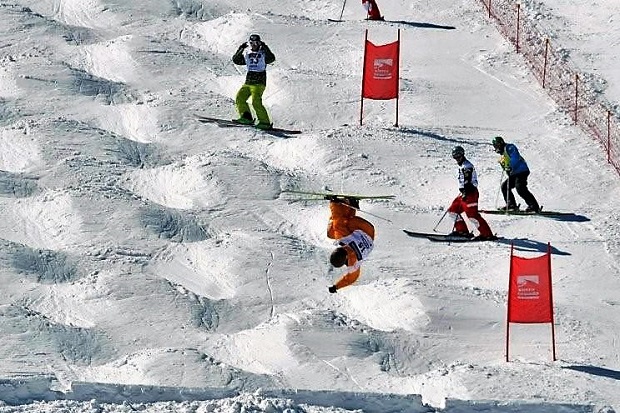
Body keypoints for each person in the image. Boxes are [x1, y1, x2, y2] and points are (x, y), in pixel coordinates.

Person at [326, 197, 375, 293]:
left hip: (370, 235)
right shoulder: (343, 238)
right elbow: (337, 220)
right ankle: (346, 204)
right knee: (339, 226)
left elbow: (351, 279)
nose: (341, 247)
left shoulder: (353, 264)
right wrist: (334, 203)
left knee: (330, 233)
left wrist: (336, 287)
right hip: (365, 228)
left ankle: (350, 205)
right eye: (341, 248)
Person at [447, 146, 496, 241]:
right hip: (463, 193)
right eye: (455, 157)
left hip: (470, 194)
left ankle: (487, 234)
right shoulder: (461, 166)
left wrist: (465, 192)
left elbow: (467, 180)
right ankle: (462, 231)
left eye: (458, 156)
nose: (457, 158)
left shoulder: (467, 166)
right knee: (452, 211)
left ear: (462, 154)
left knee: (472, 215)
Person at [232, 34, 276, 130]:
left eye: (256, 43)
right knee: (240, 98)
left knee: (256, 102)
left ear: (259, 43)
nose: (254, 45)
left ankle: (265, 122)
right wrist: (241, 48)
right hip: (249, 81)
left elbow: (271, 59)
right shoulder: (248, 53)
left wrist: (264, 46)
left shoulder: (263, 53)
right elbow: (236, 60)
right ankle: (246, 118)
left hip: (259, 82)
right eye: (251, 43)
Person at [492, 136, 540, 213]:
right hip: (514, 174)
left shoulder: (510, 147)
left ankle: (534, 206)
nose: (496, 148)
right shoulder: (502, 156)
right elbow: (507, 168)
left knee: (520, 188)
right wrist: (507, 169)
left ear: (500, 143)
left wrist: (510, 166)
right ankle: (511, 205)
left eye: (497, 145)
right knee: (505, 186)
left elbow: (515, 157)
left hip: (521, 171)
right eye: (495, 146)